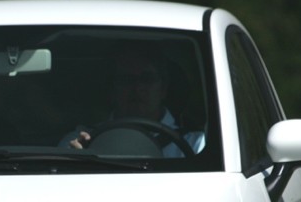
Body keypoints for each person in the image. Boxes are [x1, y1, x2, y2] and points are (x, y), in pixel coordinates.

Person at [65, 45, 205, 157]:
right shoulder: (80, 142)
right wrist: (77, 160)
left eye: (147, 79)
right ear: (112, 89)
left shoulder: (196, 145)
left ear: (163, 89)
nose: (137, 88)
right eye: (126, 80)